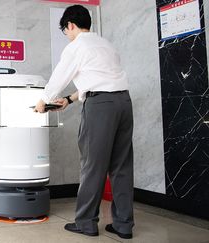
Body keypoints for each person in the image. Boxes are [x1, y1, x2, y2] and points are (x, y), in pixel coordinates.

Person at [34, 5, 134, 239]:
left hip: (101, 107)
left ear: (70, 24)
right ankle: (124, 225)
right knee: (121, 167)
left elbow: (60, 76)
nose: (67, 35)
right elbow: (98, 79)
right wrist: (69, 99)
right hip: (123, 103)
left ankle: (86, 222)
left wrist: (43, 101)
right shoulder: (105, 44)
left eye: (66, 30)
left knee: (92, 165)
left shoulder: (76, 46)